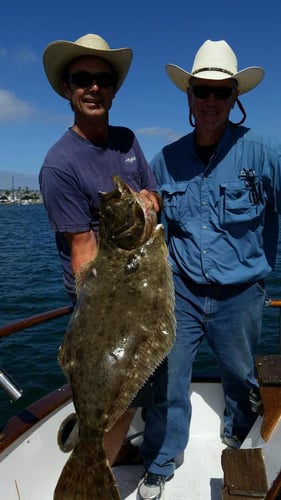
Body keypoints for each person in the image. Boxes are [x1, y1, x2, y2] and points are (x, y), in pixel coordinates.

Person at [137, 39, 281, 500]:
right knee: (167, 375)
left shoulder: (264, 152)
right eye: (203, 91)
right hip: (178, 290)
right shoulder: (164, 160)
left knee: (240, 376)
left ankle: (238, 435)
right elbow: (149, 226)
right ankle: (161, 458)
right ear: (190, 96)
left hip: (241, 294)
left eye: (222, 92)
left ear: (236, 97)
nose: (212, 101)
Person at [39, 33, 160, 466]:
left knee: (138, 386)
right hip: (102, 299)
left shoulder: (127, 140)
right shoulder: (60, 164)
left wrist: (149, 201)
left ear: (113, 88)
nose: (93, 87)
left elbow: (152, 191)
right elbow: (83, 251)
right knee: (119, 388)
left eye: (102, 79)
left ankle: (108, 446)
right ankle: (97, 463)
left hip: (139, 285)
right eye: (82, 79)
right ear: (67, 89)